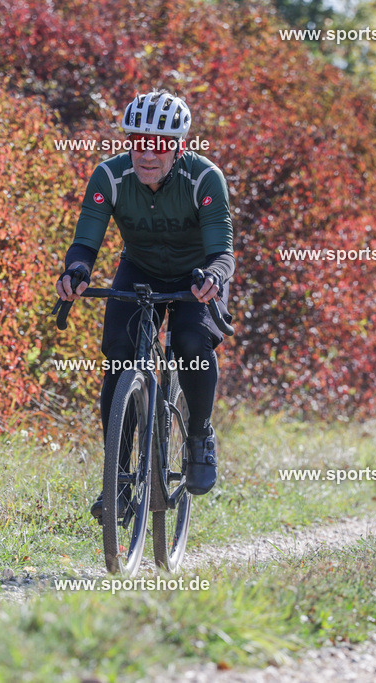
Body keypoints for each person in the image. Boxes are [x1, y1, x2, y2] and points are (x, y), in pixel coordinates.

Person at [55, 90, 235, 521]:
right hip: (139, 269)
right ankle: (116, 482)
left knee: (193, 344)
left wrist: (214, 278)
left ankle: (198, 437)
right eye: (139, 142)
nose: (147, 154)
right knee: (118, 356)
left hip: (197, 275)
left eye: (158, 144)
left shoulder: (205, 179)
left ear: (178, 146)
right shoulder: (110, 177)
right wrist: (76, 272)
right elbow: (84, 243)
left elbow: (222, 253)